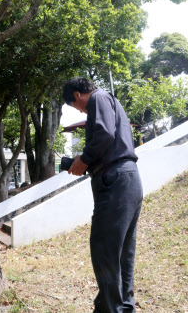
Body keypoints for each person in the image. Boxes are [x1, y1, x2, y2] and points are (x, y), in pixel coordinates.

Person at [62, 77, 143, 313]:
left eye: (75, 106)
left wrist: (83, 159)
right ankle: (121, 308)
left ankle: (111, 309)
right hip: (127, 180)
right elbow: (108, 138)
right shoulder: (111, 101)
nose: (80, 109)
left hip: (114, 181)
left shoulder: (98, 97)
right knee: (121, 255)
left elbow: (104, 134)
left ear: (77, 96)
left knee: (105, 251)